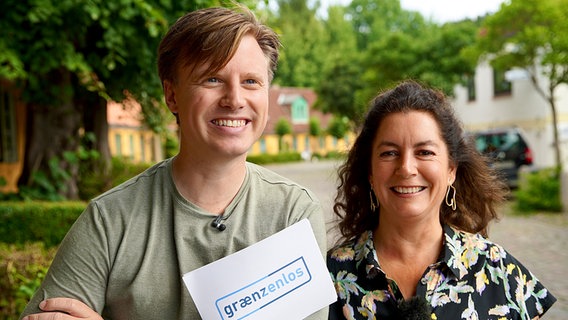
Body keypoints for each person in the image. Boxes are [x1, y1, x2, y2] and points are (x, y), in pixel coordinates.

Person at [20, 5, 328, 320]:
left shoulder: (293, 212)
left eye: (251, 81)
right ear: (171, 95)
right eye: (212, 79)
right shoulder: (110, 220)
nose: (234, 99)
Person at [327, 80, 556, 319]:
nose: (406, 168)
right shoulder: (329, 278)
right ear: (370, 173)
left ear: (451, 170)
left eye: (424, 152)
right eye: (389, 153)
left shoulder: (501, 272)